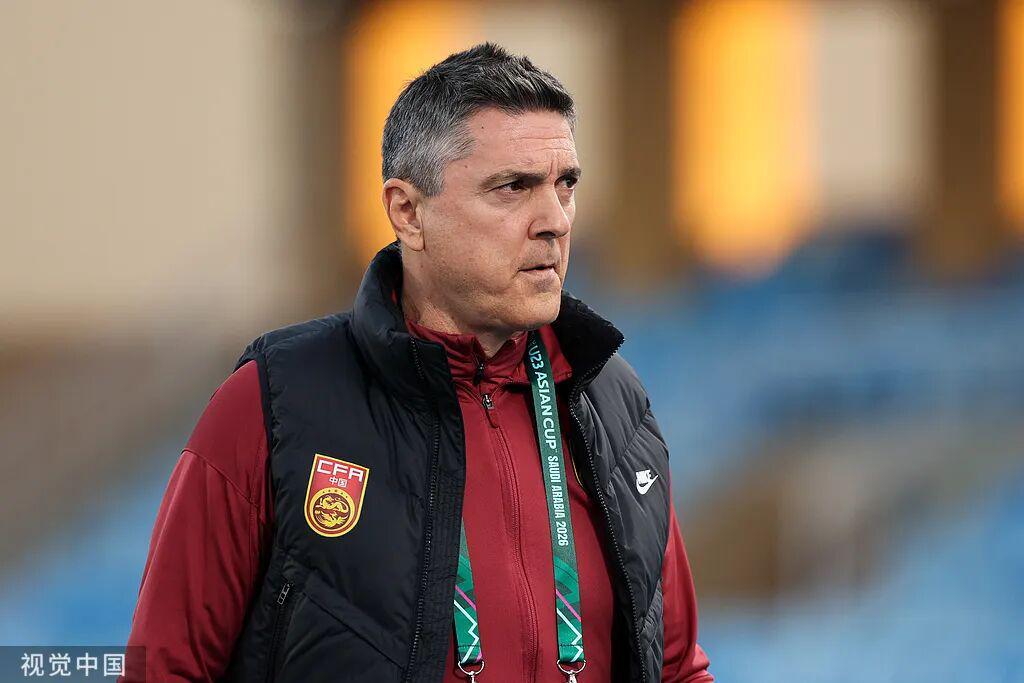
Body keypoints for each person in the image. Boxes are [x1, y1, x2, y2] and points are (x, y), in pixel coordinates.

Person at [124, 42, 713, 682]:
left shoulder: (611, 400)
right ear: (407, 212)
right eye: (513, 187)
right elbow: (165, 669)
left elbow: (677, 667)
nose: (555, 221)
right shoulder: (275, 402)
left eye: (564, 184)